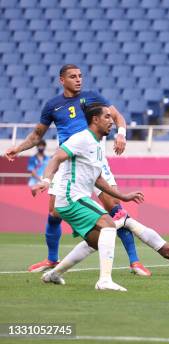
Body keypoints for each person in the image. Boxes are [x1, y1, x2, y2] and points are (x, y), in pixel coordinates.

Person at [4, 64, 150, 276]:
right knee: (54, 212)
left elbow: (118, 117)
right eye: (73, 77)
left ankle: (134, 262)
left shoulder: (92, 97)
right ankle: (52, 259)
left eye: (80, 76)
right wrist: (17, 148)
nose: (78, 80)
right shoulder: (52, 106)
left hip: (95, 162)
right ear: (62, 80)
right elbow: (37, 136)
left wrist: (121, 135)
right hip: (68, 162)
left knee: (115, 209)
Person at [33, 104, 144, 291]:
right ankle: (104, 281)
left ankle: (54, 274)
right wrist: (46, 180)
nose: (112, 121)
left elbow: (99, 179)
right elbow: (57, 158)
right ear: (95, 120)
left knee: (96, 241)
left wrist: (123, 197)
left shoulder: (98, 145)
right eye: (107, 117)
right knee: (109, 225)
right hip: (70, 198)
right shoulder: (81, 139)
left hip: (78, 198)